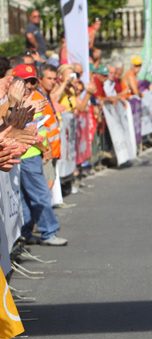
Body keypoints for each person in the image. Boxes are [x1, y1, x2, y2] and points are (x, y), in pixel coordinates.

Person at [14, 64, 68, 246]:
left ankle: (29, 231)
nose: (29, 85)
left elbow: (40, 127)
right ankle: (48, 232)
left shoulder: (37, 98)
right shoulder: (13, 100)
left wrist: (45, 148)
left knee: (32, 195)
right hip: (22, 154)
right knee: (36, 195)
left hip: (31, 153)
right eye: (24, 82)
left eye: (32, 81)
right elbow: (21, 128)